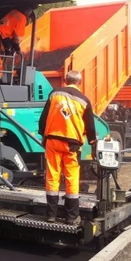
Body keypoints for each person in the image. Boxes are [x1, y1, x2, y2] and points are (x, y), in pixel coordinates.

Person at [38, 70, 97, 226]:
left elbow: (43, 118)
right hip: (72, 144)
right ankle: (71, 217)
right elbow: (91, 127)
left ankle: (51, 215)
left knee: (52, 176)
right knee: (71, 178)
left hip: (52, 140)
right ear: (80, 82)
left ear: (65, 80)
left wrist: (43, 136)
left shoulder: (54, 94)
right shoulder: (84, 100)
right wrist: (93, 145)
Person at [0, 8, 30, 79]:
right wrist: (17, 47)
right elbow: (18, 36)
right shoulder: (22, 18)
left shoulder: (13, 12)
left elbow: (8, 28)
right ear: (27, 13)